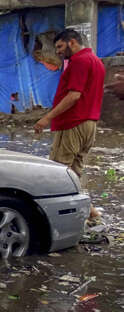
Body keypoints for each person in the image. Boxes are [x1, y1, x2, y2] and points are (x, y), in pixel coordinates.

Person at [34, 28, 105, 220]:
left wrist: (47, 118)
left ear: (72, 42)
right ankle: (91, 214)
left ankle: (54, 218)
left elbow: (74, 96)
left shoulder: (79, 61)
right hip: (89, 124)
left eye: (60, 46)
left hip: (73, 123)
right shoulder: (96, 62)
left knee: (58, 171)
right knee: (73, 172)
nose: (57, 51)